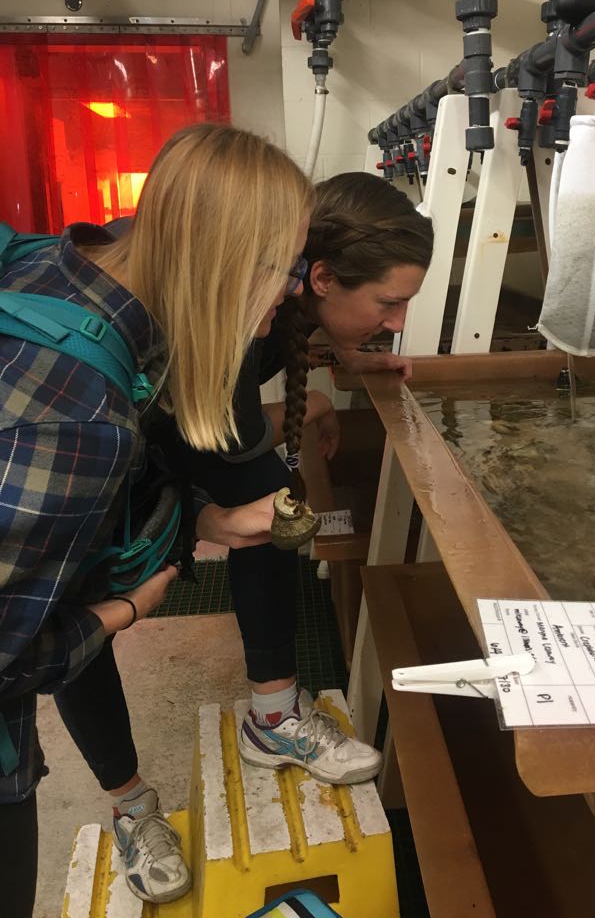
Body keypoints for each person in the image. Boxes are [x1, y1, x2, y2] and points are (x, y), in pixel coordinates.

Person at [0, 123, 315, 918]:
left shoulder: (57, 266)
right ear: (224, 266)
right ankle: (130, 802)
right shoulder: (77, 424)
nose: (285, 295)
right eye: (282, 269)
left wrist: (199, 519)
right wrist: (123, 609)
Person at [162, 171, 434, 784]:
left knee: (267, 495)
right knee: (266, 496)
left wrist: (346, 355)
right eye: (388, 302)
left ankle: (271, 709)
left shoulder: (288, 296)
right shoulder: (243, 301)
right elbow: (226, 432)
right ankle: (272, 717)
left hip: (173, 420)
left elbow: (289, 344)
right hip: (119, 447)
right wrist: (308, 407)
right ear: (321, 278)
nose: (397, 321)